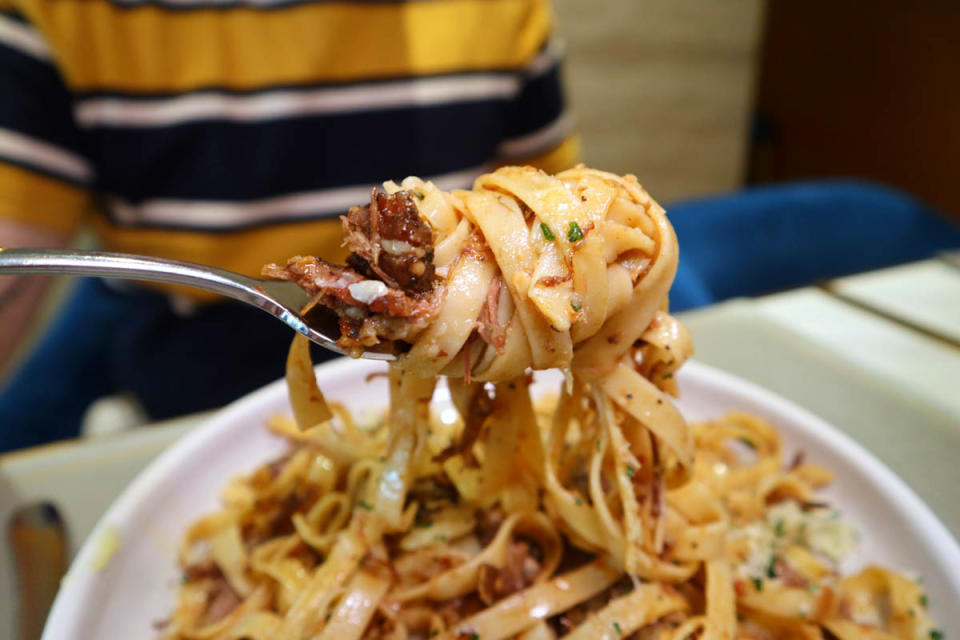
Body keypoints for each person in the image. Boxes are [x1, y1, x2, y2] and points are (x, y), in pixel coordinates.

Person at [0, 0, 578, 452]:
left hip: (450, 363)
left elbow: (550, 225)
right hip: (186, 347)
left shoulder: (501, 13)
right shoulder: (70, 18)